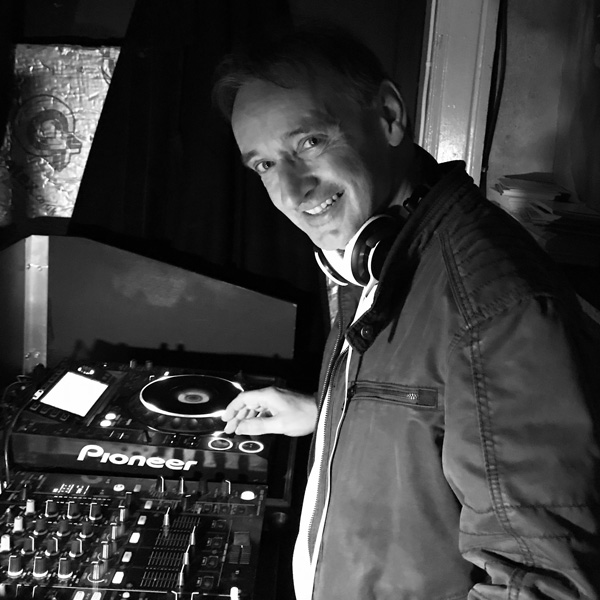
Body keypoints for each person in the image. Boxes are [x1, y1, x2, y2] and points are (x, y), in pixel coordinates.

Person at [212, 26, 600, 600]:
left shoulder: (496, 308)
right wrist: (325, 414)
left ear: (389, 115)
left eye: (310, 142)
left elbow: (546, 583)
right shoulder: (376, 254)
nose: (292, 190)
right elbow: (448, 419)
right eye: (265, 165)